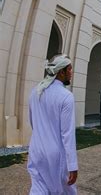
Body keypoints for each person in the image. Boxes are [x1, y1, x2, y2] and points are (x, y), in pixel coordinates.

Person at [27, 54, 78, 194]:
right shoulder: (66, 96)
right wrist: (72, 165)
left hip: (36, 150)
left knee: (38, 188)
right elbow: (67, 135)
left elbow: (33, 122)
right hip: (56, 155)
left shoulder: (35, 92)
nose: (71, 73)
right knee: (63, 191)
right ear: (61, 72)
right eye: (69, 69)